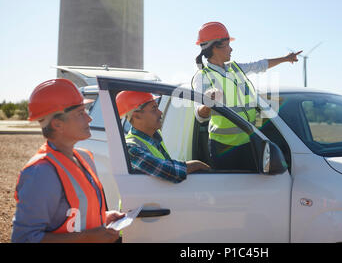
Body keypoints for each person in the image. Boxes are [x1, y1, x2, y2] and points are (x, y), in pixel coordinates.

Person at [12, 79, 125, 243]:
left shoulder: (84, 157)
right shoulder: (41, 172)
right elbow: (24, 239)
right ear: (57, 124)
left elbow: (72, 216)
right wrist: (87, 238)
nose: (89, 119)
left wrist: (103, 218)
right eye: (80, 113)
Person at [192, 21, 302, 171]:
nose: (231, 48)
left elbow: (260, 65)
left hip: (249, 141)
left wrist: (285, 58)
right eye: (227, 44)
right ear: (216, 47)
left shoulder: (235, 68)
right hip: (224, 148)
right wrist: (208, 104)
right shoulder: (203, 77)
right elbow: (199, 115)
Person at [116, 90, 210, 183]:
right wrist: (197, 165)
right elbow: (171, 172)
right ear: (137, 116)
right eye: (154, 109)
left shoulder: (155, 135)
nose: (160, 113)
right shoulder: (131, 149)